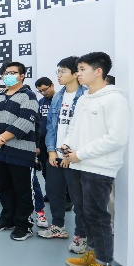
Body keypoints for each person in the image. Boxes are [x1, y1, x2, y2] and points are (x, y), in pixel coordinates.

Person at [63, 52, 129, 266]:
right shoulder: (84, 98)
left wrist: (80, 153)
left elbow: (116, 138)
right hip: (78, 163)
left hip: (99, 168)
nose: (78, 73)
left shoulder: (114, 99)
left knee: (97, 215)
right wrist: (67, 146)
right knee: (83, 212)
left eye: (82, 69)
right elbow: (73, 128)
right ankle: (92, 254)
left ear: (98, 71)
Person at [38, 57, 88, 254]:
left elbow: (84, 130)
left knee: (78, 199)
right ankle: (58, 226)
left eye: (63, 71)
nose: (58, 75)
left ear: (75, 73)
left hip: (75, 157)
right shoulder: (58, 97)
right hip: (55, 155)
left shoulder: (86, 96)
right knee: (54, 192)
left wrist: (68, 155)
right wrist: (51, 150)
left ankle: (81, 236)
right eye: (58, 71)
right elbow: (51, 126)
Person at [0, 62, 39, 241]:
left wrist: (0, 138)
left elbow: (25, 122)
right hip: (0, 152)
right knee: (4, 187)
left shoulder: (28, 96)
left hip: (21, 151)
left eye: (13, 73)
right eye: (6, 73)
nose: (8, 76)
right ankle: (7, 218)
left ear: (22, 76)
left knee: (23, 190)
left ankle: (24, 225)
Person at [35, 76, 55, 187]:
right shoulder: (41, 102)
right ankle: (50, 192)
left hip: (56, 141)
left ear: (52, 85)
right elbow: (37, 123)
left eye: (45, 89)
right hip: (42, 141)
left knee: (58, 170)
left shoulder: (60, 99)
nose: (43, 93)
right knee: (45, 170)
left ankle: (64, 195)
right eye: (40, 91)